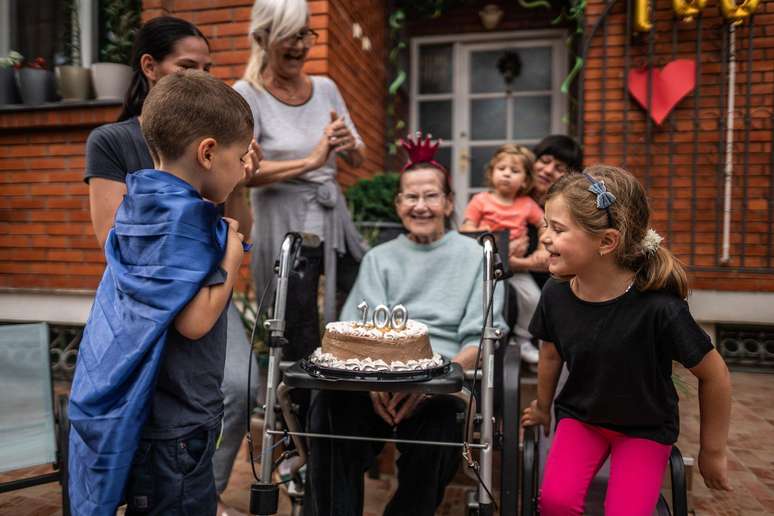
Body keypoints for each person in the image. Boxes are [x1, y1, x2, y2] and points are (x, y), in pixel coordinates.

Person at [83, 17, 260, 514]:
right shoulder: (179, 212)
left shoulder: (149, 193)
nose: (203, 76)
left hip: (166, 413)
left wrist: (234, 185)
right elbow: (193, 321)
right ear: (207, 152)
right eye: (238, 159)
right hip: (178, 418)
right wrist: (229, 255)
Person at [304, 133, 507, 516]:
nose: (421, 206)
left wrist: (432, 383)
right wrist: (374, 386)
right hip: (373, 379)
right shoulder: (379, 258)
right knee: (330, 408)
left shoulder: (477, 257)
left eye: (431, 195)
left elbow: (481, 340)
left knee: (442, 425)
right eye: (411, 197)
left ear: (448, 202)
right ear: (398, 204)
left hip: (443, 378)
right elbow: (356, 331)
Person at [521, 165, 732, 515]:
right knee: (555, 503)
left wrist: (712, 451)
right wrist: (543, 407)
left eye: (557, 229)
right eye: (546, 225)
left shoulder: (660, 308)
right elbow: (551, 353)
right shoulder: (554, 295)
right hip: (581, 419)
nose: (544, 237)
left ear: (606, 242)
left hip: (644, 429)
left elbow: (716, 375)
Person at [234, 0, 366, 363]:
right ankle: (298, 396)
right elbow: (241, 171)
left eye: (305, 34)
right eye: (288, 36)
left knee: (359, 296)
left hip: (332, 219)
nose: (300, 45)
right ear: (262, 38)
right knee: (298, 328)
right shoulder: (247, 94)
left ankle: (347, 384)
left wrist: (348, 144)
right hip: (284, 224)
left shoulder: (325, 88)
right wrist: (310, 162)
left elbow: (359, 156)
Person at [461, 144, 544, 364]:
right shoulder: (480, 200)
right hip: (484, 267)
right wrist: (487, 234)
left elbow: (544, 223)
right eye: (501, 168)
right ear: (491, 173)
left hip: (515, 269)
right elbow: (466, 228)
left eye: (514, 171)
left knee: (534, 298)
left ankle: (523, 339)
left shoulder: (527, 204)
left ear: (525, 181)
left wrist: (541, 250)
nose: (507, 174)